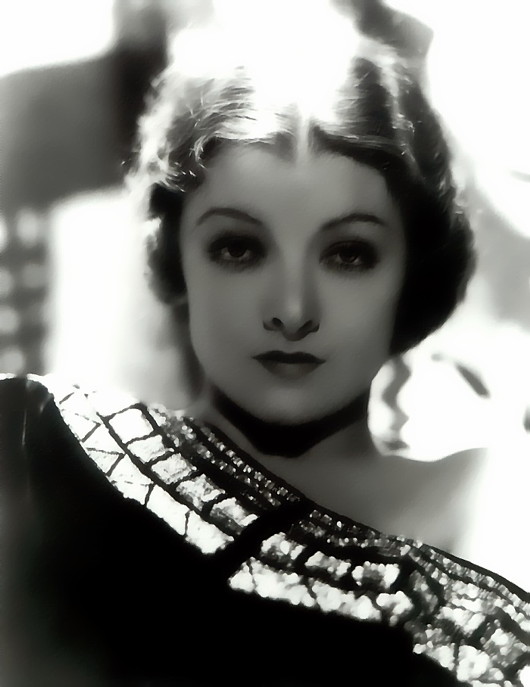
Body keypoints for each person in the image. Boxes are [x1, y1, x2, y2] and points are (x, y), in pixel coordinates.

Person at [0, 2, 528, 685]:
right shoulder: (36, 451)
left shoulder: (501, 511)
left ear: (413, 274)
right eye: (239, 248)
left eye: (348, 254)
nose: (291, 309)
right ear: (177, 259)